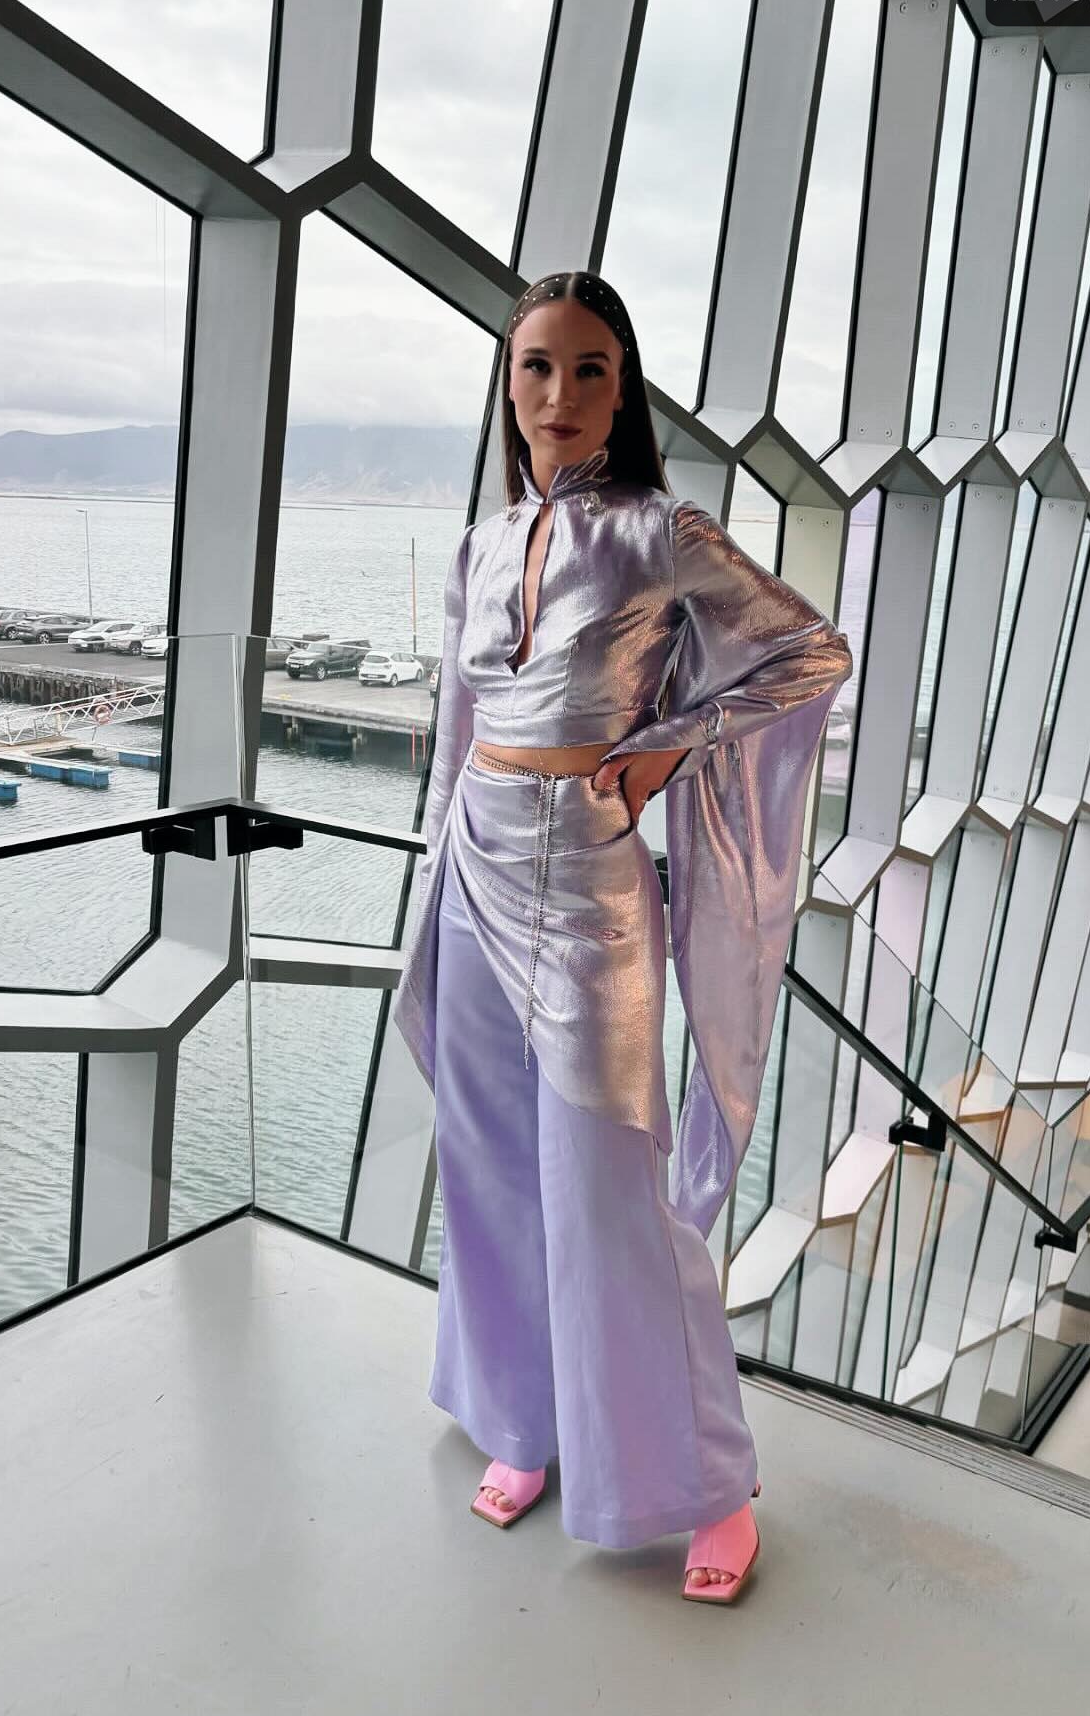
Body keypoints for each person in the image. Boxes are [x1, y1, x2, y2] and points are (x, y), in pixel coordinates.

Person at [392, 270, 852, 1603]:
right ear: (508, 385)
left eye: (590, 369)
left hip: (592, 888)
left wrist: (672, 746)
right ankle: (522, 1422)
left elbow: (810, 654)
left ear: (622, 387)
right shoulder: (479, 548)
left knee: (612, 1191)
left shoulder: (663, 533)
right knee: (487, 1168)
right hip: (473, 869)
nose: (560, 395)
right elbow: (457, 734)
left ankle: (707, 1484)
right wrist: (426, 893)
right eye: (537, 368)